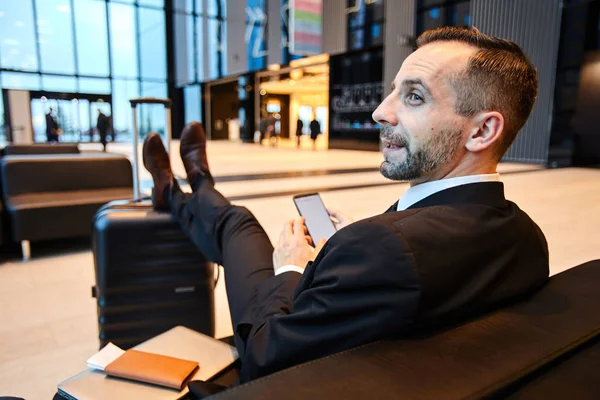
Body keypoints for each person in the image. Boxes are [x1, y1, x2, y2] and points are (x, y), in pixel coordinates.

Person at [141, 27, 549, 383]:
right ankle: (188, 187)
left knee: (238, 224)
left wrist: (291, 267)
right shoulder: (527, 236)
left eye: (414, 97)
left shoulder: (382, 249)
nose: (379, 112)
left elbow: (262, 359)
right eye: (393, 91)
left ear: (481, 130)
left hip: (291, 341)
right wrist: (352, 251)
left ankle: (185, 189)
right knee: (238, 224)